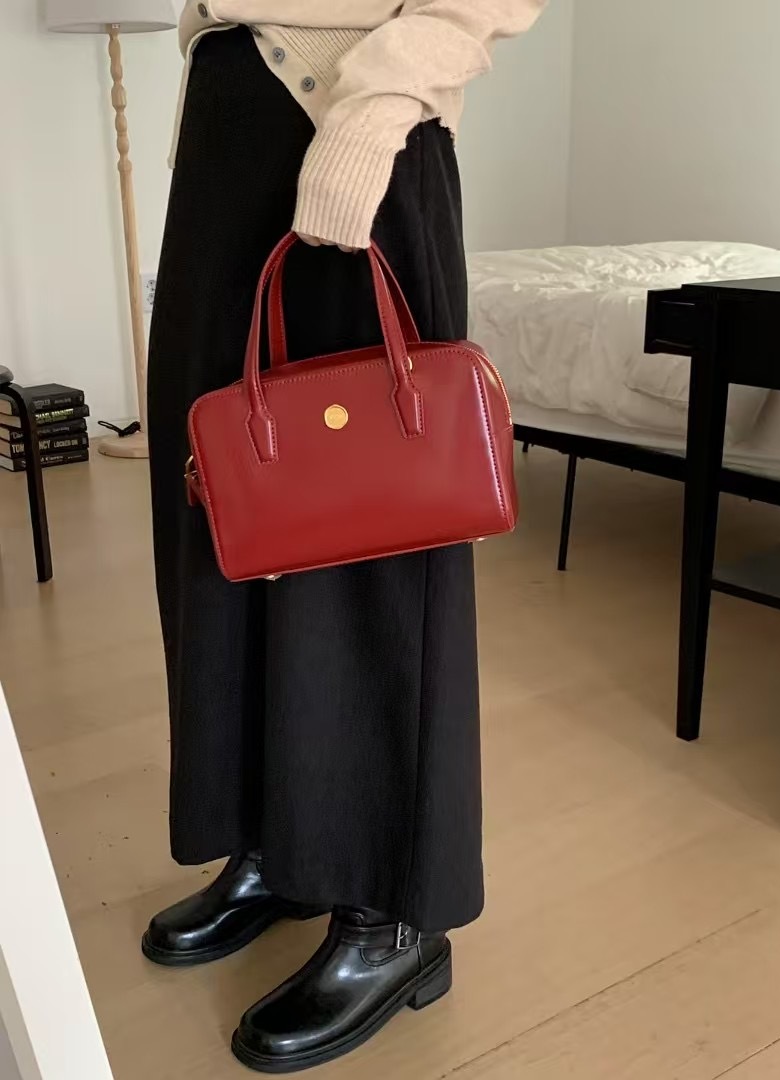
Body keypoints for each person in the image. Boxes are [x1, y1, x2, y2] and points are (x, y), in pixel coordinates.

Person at [144, 1, 547, 1072]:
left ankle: (391, 911)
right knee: (224, 505)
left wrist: (376, 110)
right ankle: (276, 844)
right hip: (228, 132)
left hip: (351, 117)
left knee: (370, 532)